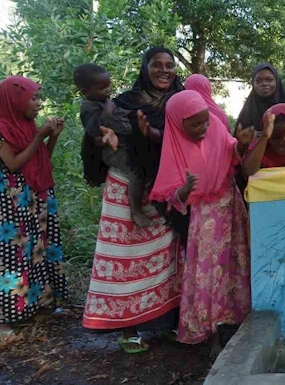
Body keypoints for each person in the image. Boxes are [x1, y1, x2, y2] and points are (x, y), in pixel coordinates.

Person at [82, 47, 184, 354]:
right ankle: (128, 328)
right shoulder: (125, 101)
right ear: (145, 67)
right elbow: (96, 134)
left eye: (170, 65)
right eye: (157, 65)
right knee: (125, 257)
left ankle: (164, 324)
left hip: (164, 188)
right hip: (126, 185)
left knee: (165, 258)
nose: (164, 71)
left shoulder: (181, 100)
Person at [149, 90, 253, 354]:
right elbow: (171, 194)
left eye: (205, 121)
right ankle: (209, 330)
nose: (203, 127)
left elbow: (232, 152)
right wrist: (185, 190)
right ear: (177, 123)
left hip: (230, 205)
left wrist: (240, 144)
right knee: (207, 270)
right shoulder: (173, 147)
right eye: (195, 124)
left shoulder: (216, 125)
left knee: (234, 263)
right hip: (203, 217)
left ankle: (234, 318)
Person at [0, 76, 67, 340]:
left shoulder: (27, 126)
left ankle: (39, 306)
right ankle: (5, 320)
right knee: (13, 256)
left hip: (35, 197)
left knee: (39, 250)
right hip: (13, 206)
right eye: (32, 98)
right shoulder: (1, 129)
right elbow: (13, 164)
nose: (37, 103)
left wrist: (51, 138)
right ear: (15, 99)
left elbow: (40, 159)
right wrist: (40, 136)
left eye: (38, 98)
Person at [76, 63, 151, 228]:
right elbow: (94, 131)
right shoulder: (89, 107)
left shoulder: (104, 100)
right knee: (136, 172)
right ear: (86, 92)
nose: (108, 90)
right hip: (113, 151)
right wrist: (108, 112)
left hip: (124, 144)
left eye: (109, 85)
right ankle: (136, 211)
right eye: (102, 88)